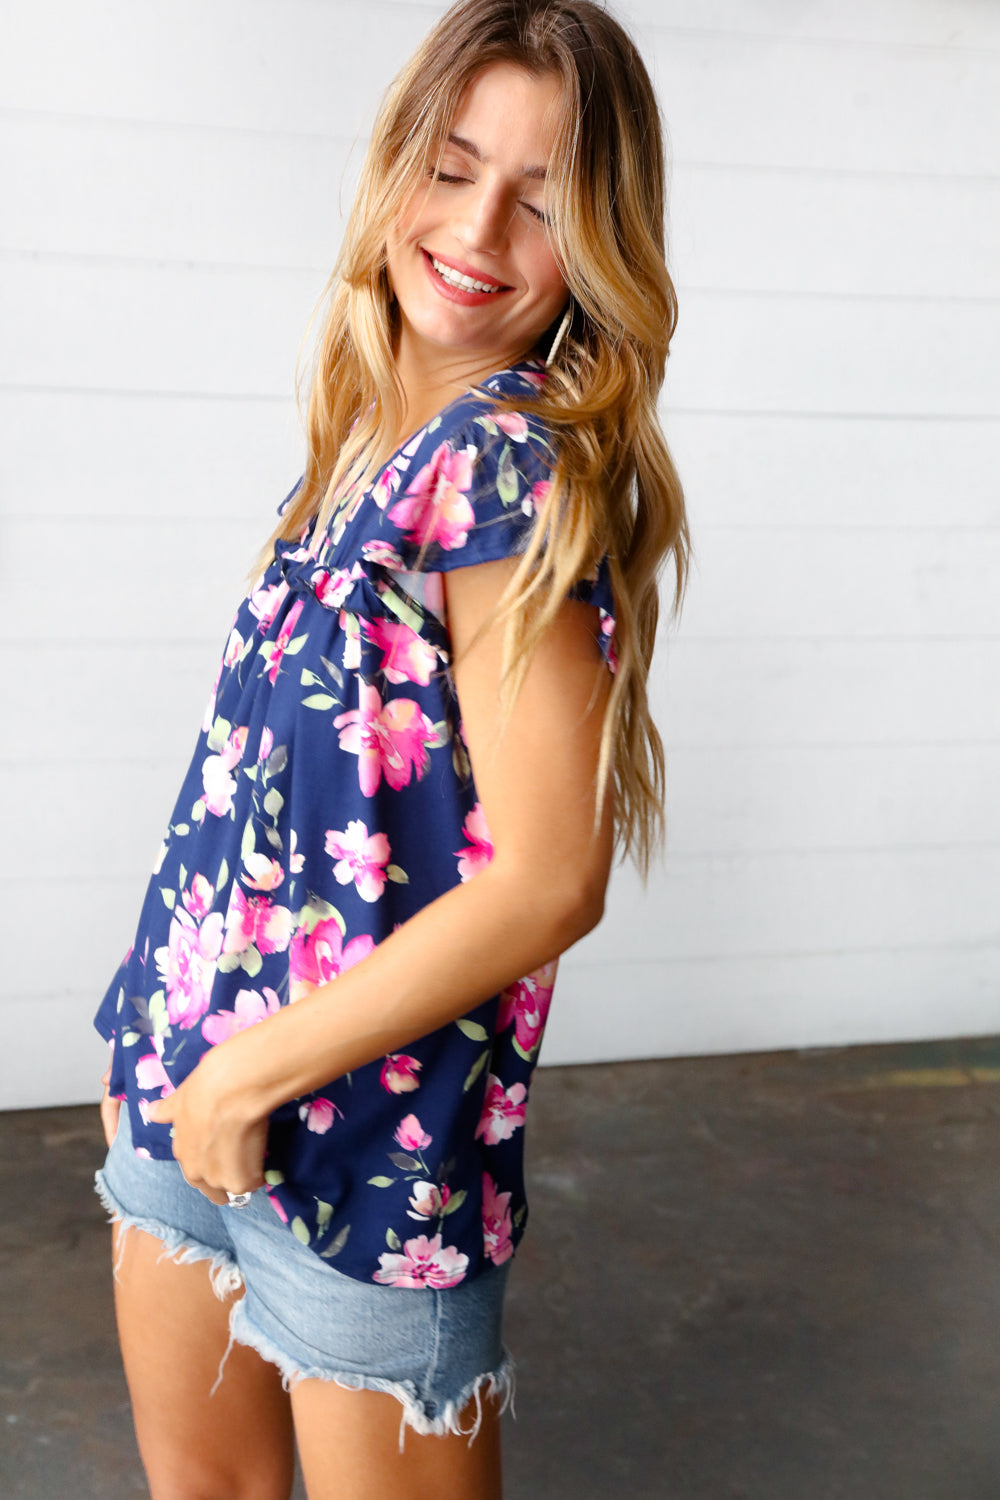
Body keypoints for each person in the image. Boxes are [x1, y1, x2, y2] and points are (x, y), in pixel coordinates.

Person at [94, 1, 689, 1495]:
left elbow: (552, 879)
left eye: (544, 202)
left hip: (371, 1157)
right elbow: (245, 787)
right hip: (188, 1087)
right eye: (454, 163)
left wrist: (241, 1083)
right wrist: (147, 1018)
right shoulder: (368, 441)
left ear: (597, 248)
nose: (480, 225)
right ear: (396, 166)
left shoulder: (507, 462)